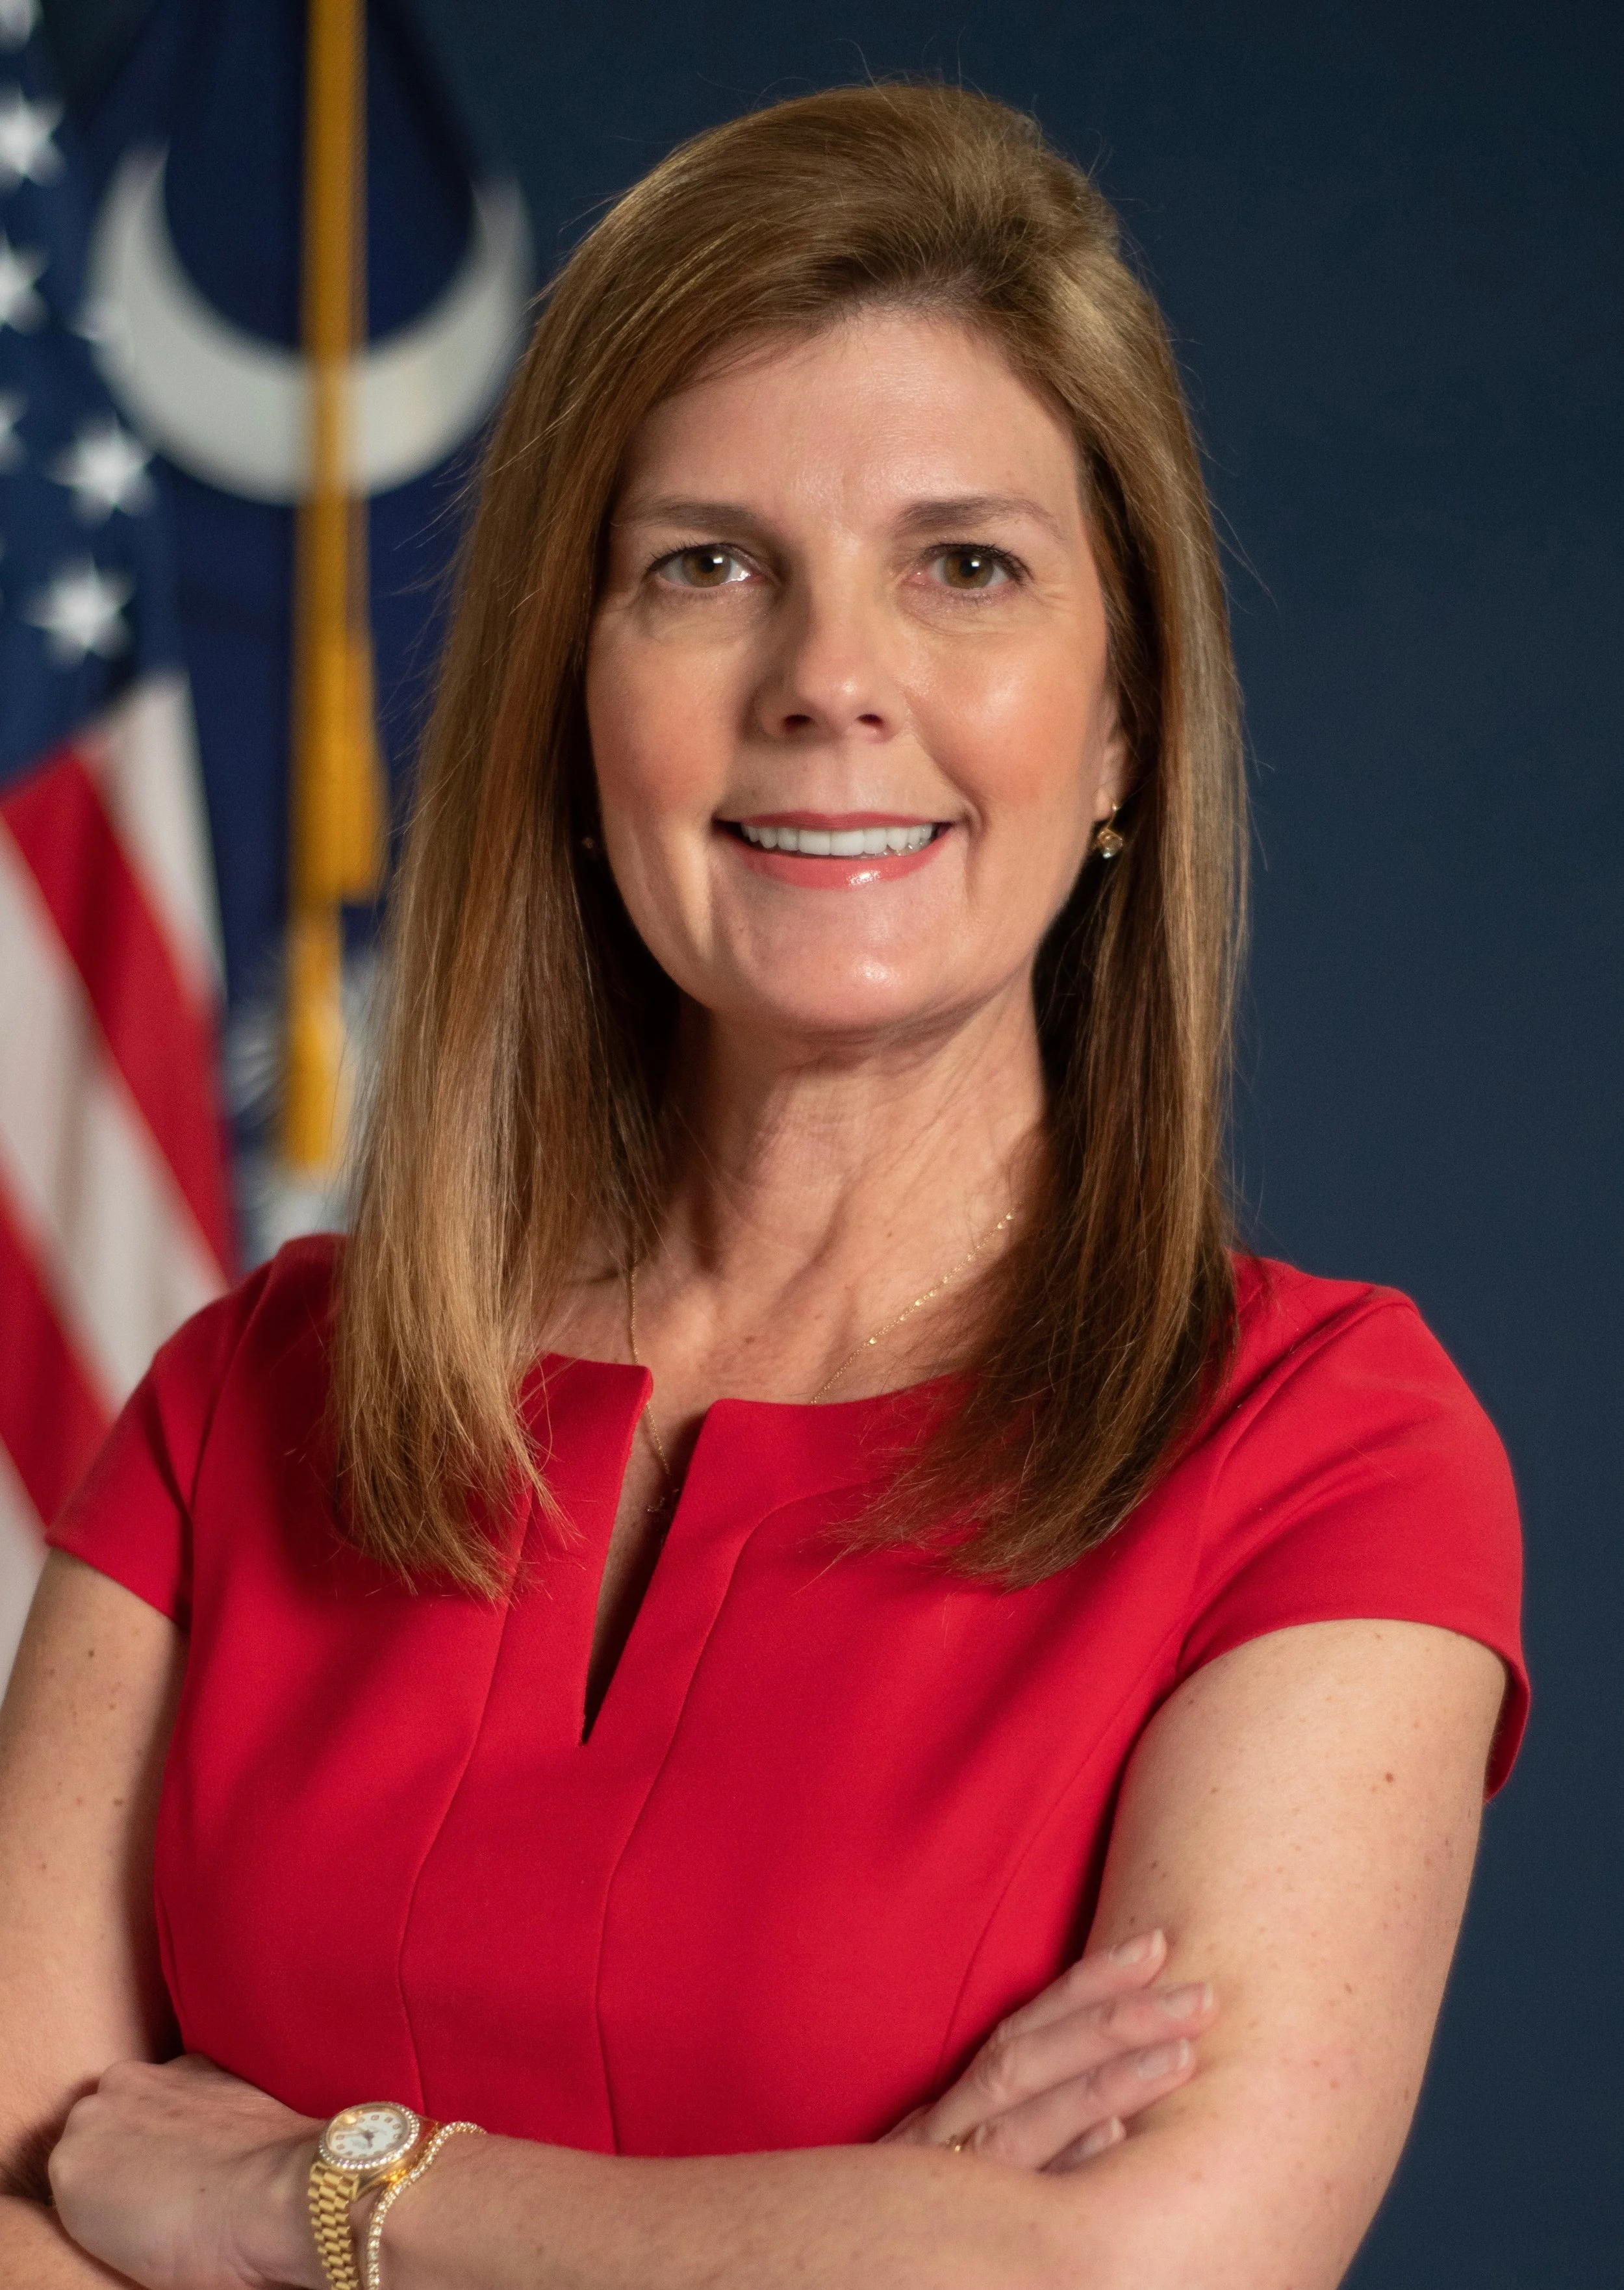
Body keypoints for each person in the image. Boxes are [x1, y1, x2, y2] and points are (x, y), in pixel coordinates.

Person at [0, 81, 1524, 2290]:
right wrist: (847, 2227)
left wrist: (298, 2195)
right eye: (703, 566)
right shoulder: (254, 1398)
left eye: (964, 566)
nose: (828, 682)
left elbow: (1114, 2278)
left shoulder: (1320, 1453)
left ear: (1121, 726)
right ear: (567, 693)